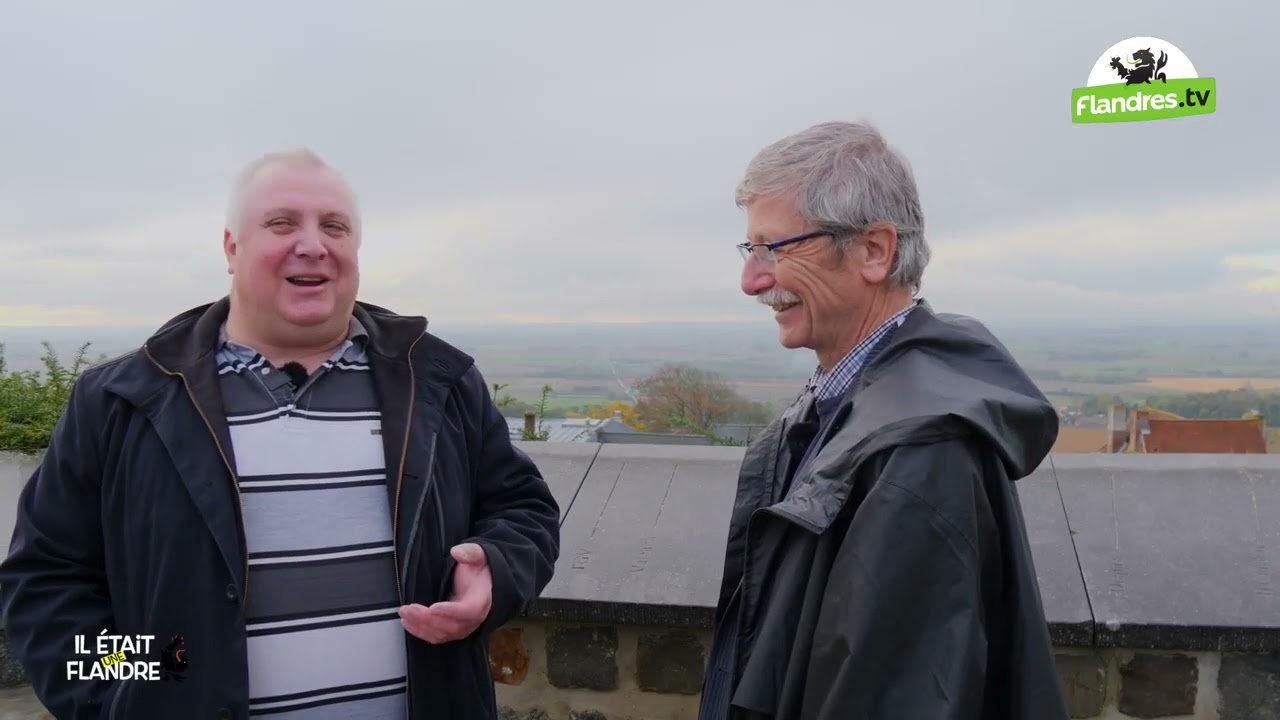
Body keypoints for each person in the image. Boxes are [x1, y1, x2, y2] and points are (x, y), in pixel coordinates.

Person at [0, 149, 561, 720]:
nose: (313, 244)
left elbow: (524, 509)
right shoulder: (122, 401)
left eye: (334, 227)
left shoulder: (439, 380)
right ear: (231, 248)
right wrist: (152, 680)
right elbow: (45, 582)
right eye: (282, 223)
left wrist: (495, 567)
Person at [698, 121, 1070, 720]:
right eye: (750, 250)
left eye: (777, 248)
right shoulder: (842, 409)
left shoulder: (919, 449)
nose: (752, 281)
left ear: (875, 250)